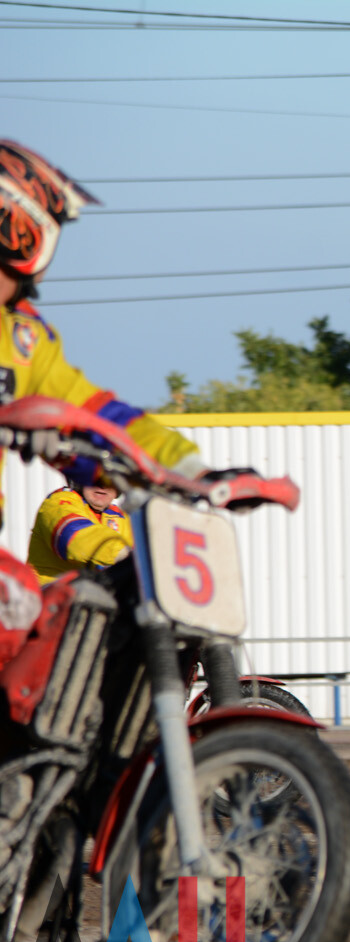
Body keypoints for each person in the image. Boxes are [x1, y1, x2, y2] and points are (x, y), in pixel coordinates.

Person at [0, 140, 206, 662]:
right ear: (18, 225)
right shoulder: (62, 508)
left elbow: (90, 413)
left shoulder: (24, 339)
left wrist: (186, 466)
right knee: (15, 602)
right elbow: (79, 538)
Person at [27, 479, 133, 584]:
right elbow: (74, 538)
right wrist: (126, 555)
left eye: (110, 480)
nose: (103, 486)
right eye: (96, 478)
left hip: (90, 596)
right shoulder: (58, 502)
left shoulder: (119, 517)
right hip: (48, 596)